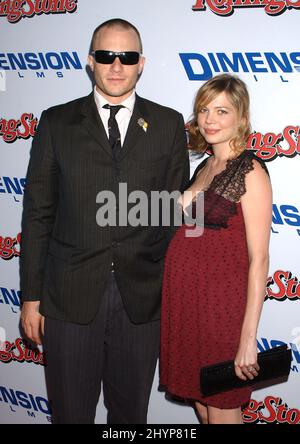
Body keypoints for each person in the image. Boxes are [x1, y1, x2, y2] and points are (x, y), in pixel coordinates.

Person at [20, 18, 189, 424]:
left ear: (141, 63)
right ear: (89, 62)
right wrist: (30, 297)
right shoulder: (56, 122)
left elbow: (173, 218)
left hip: (142, 302)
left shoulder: (167, 124)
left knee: (131, 417)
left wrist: (173, 299)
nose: (117, 65)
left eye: (127, 56)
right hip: (68, 299)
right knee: (70, 414)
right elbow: (38, 213)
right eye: (106, 55)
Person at [159, 74, 272, 424]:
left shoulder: (249, 170)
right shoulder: (204, 167)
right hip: (188, 308)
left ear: (241, 117)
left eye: (222, 111)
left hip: (220, 314)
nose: (209, 119)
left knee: (222, 408)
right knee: (206, 411)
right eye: (204, 110)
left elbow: (259, 260)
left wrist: (247, 339)